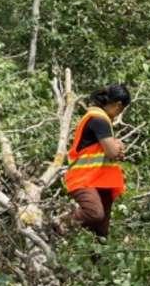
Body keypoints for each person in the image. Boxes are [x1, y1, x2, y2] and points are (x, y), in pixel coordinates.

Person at [54, 84, 131, 239]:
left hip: (99, 180)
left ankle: (95, 259)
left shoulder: (98, 118)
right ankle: (59, 222)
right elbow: (111, 151)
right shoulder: (99, 119)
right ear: (118, 105)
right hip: (84, 178)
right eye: (120, 111)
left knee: (101, 231)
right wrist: (117, 147)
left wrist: (116, 146)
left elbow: (107, 148)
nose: (117, 115)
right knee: (94, 213)